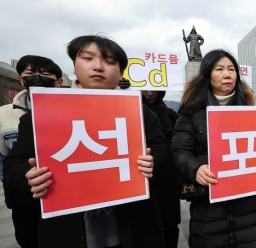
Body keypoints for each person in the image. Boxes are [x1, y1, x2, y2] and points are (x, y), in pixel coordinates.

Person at [5, 35, 168, 247]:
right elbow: (14, 162)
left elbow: (161, 147)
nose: (98, 67)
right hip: (69, 227)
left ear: (120, 73)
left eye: (109, 62)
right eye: (88, 58)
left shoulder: (140, 111)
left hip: (131, 221)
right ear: (74, 66)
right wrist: (27, 176)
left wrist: (152, 159)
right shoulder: (43, 113)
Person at [171, 49, 256, 247]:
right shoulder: (191, 111)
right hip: (208, 211)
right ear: (207, 74)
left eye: (231, 69)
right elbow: (180, 151)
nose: (227, 74)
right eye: (219, 69)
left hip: (247, 210)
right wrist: (196, 168)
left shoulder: (251, 110)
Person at [1, 55, 63, 248]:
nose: (37, 78)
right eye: (31, 73)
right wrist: (22, 177)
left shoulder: (71, 109)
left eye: (44, 74)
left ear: (59, 82)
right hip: (25, 202)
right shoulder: (4, 114)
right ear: (20, 79)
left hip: (62, 196)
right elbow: (4, 162)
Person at [141, 90, 181, 248]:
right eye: (145, 89)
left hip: (168, 179)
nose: (150, 93)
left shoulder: (171, 115)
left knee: (170, 226)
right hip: (143, 178)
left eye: (154, 89)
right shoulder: (130, 111)